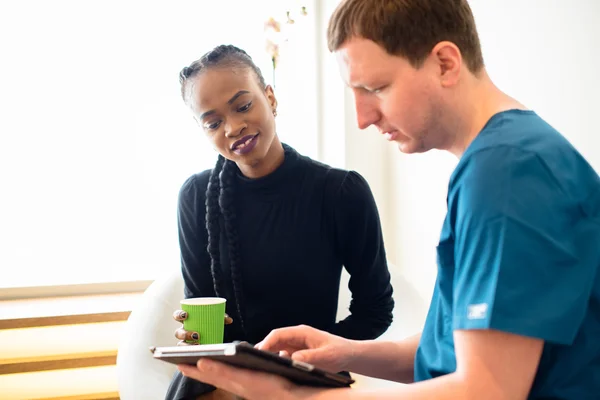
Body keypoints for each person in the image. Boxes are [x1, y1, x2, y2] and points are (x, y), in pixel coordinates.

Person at [176, 0, 600, 399]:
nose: (363, 118)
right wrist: (343, 351)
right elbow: (447, 350)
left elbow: (485, 390)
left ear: (445, 63)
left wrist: (296, 395)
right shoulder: (498, 163)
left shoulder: (506, 174)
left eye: (376, 88)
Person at [165, 44, 395, 399]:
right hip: (219, 381)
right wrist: (195, 338)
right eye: (213, 122)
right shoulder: (195, 197)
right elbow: (200, 308)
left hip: (306, 377)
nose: (234, 127)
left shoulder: (341, 193)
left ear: (270, 98)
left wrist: (307, 354)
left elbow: (376, 310)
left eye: (243, 106)